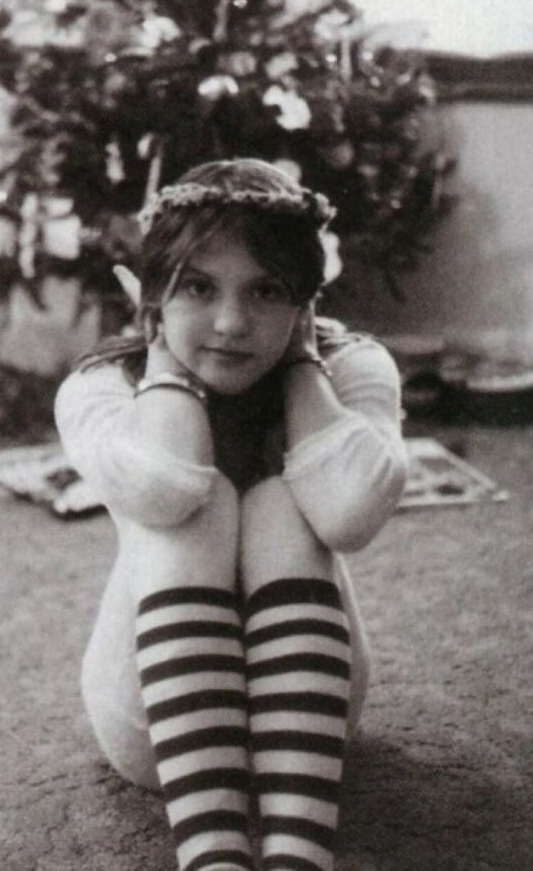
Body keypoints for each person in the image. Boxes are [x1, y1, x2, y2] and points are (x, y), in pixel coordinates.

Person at [55, 158, 408, 871]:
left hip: (314, 718)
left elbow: (348, 513)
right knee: (202, 498)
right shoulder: (101, 384)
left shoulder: (354, 366)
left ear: (305, 301)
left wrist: (305, 367)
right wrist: (165, 366)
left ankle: (299, 855)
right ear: (153, 295)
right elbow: (164, 486)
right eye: (196, 286)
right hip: (154, 720)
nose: (230, 322)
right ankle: (210, 853)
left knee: (285, 499)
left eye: (267, 290)